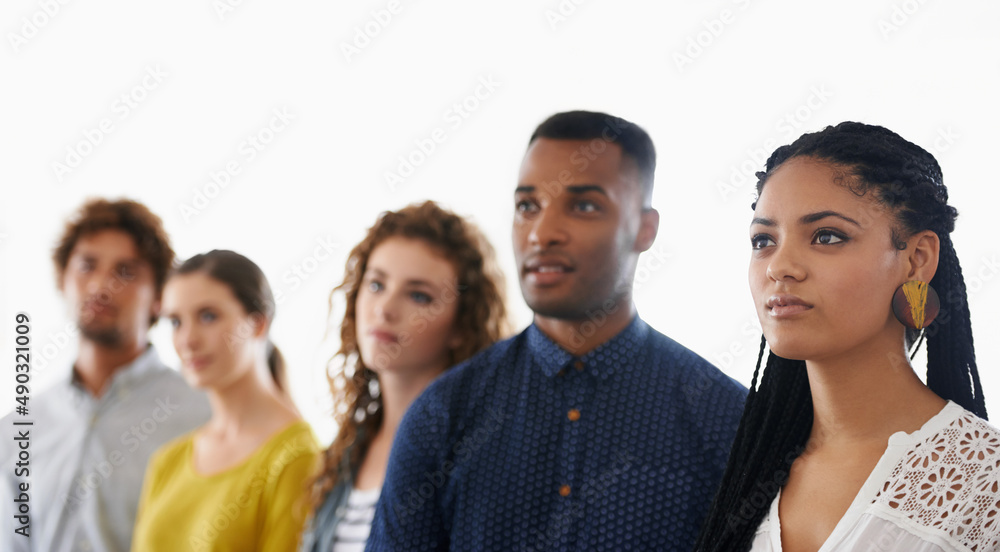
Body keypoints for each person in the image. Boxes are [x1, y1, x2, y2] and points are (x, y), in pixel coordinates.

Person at [367, 111, 748, 551]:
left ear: (645, 229)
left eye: (583, 206)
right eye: (527, 207)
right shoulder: (441, 415)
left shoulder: (725, 419)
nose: (541, 233)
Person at [693, 122, 999, 552]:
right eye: (764, 240)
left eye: (827, 236)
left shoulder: (986, 482)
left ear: (917, 260)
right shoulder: (745, 468)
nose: (779, 267)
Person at [0, 198, 211, 552]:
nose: (101, 286)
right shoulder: (17, 430)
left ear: (159, 297)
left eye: (125, 271)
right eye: (87, 266)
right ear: (62, 279)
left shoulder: (205, 416)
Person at [299, 200, 511, 552]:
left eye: (418, 296)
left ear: (462, 325)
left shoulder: (479, 453)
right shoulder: (347, 450)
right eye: (376, 284)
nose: (385, 309)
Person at [131, 250, 321, 550]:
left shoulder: (297, 459)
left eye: (208, 316)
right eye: (176, 322)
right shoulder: (168, 461)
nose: (188, 340)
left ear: (258, 324)